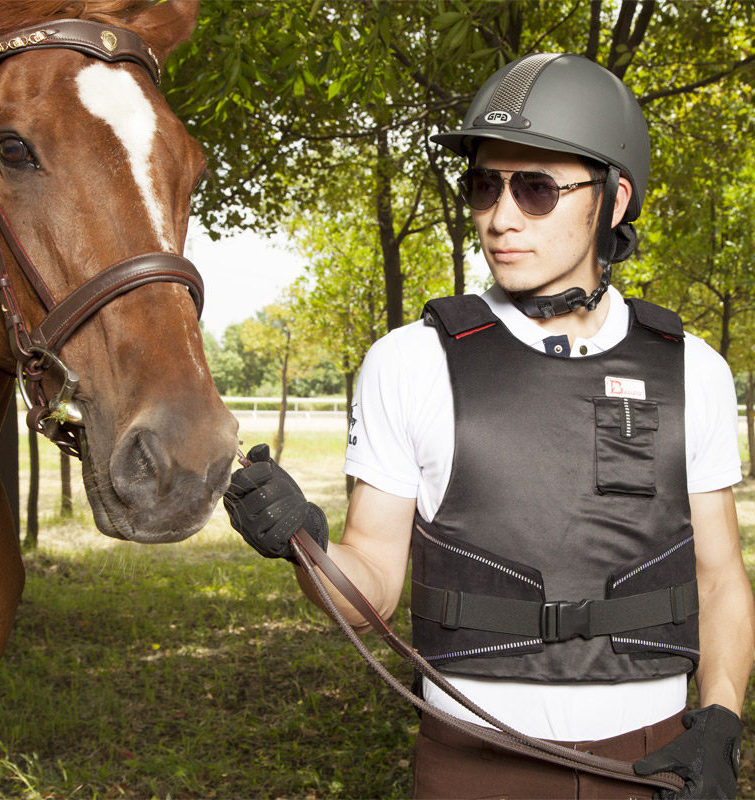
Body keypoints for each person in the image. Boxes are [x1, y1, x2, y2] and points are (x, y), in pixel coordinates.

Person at [224, 53, 755, 799]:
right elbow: (373, 582)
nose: (500, 217)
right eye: (483, 185)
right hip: (471, 762)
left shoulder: (692, 368)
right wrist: (303, 542)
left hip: (653, 761)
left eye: (536, 189)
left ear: (613, 199)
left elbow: (720, 577)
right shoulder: (409, 363)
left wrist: (722, 720)